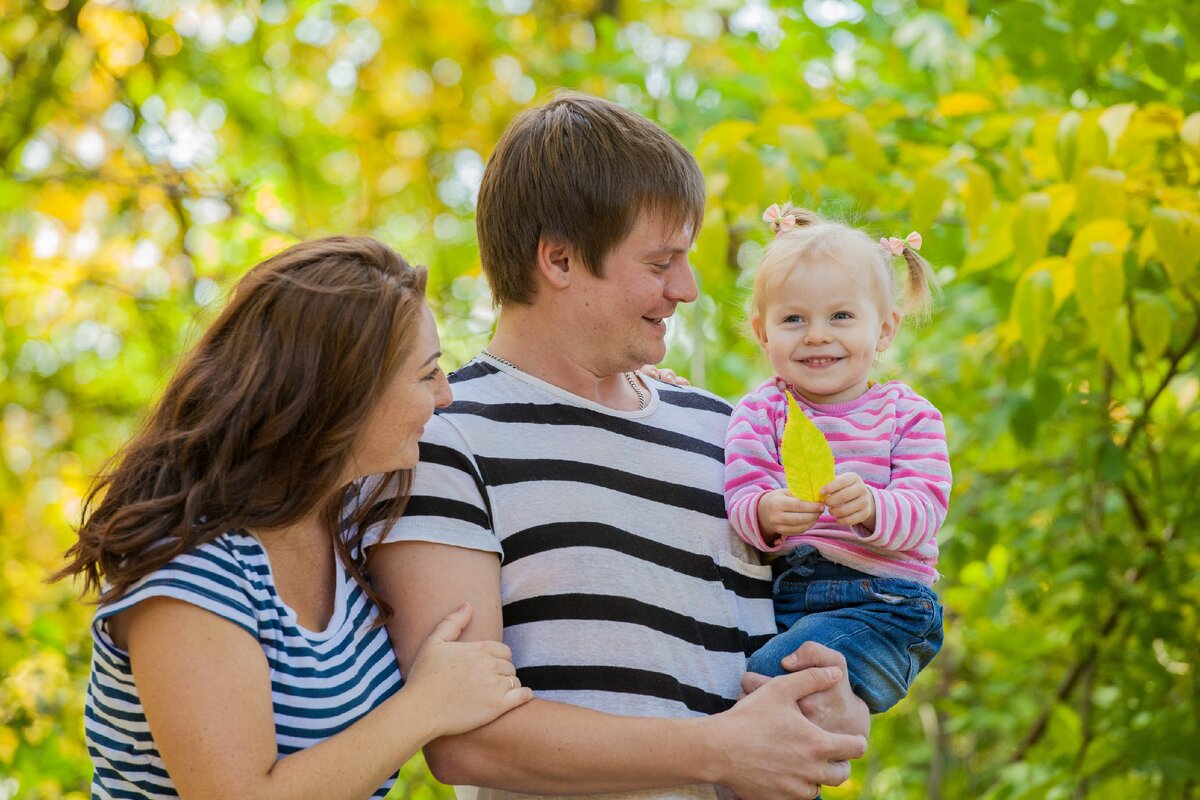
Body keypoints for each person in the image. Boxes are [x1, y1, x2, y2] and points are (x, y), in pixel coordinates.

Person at [370, 93, 868, 800]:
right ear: (560, 258)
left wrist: (839, 704)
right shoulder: (444, 438)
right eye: (662, 263)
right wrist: (719, 751)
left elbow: (806, 640)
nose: (688, 290)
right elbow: (466, 740)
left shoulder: (729, 430)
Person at [54, 237, 532, 800]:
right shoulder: (190, 562)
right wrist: (424, 707)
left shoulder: (342, 526)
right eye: (427, 373)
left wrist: (643, 395)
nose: (445, 396)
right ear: (345, 395)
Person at [725, 204, 951, 714]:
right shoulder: (759, 412)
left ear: (885, 330)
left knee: (766, 683)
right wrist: (764, 512)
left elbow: (925, 507)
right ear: (763, 333)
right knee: (753, 691)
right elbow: (741, 490)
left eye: (841, 316)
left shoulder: (908, 415)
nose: (817, 335)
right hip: (787, 601)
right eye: (793, 319)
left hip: (884, 607)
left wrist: (872, 507)